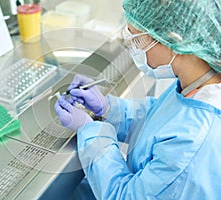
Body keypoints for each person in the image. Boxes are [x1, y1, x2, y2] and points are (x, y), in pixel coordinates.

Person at [54, 0, 221, 199]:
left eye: (138, 40)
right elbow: (161, 121)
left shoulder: (193, 141)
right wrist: (108, 108)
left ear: (175, 40)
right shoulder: (198, 82)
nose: (132, 48)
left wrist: (90, 132)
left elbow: (124, 196)